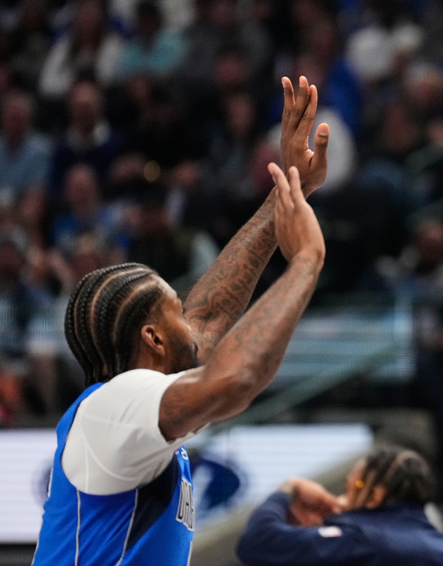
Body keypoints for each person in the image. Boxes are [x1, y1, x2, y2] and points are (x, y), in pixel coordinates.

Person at [31, 77, 330, 566]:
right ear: (152, 339)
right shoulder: (117, 404)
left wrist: (287, 193)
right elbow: (234, 378)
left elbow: (210, 316)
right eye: (176, 311)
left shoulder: (125, 410)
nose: (192, 321)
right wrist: (306, 261)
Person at [236, 446, 443, 566]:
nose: (342, 497)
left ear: (375, 496)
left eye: (355, 485)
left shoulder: (360, 539)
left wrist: (288, 489)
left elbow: (258, 541)